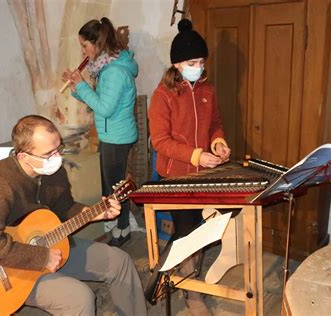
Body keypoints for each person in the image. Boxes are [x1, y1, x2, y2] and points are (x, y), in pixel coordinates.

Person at [0, 115, 147, 315]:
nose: (56, 157)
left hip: (53, 245)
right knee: (80, 299)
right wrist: (41, 257)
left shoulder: (55, 171)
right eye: (48, 153)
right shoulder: (1, 181)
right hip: (13, 268)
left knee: (120, 262)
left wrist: (96, 213)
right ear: (24, 156)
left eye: (58, 148)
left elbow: (65, 208)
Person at [148, 19, 231, 315]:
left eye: (201, 61)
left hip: (205, 172)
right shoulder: (163, 95)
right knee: (188, 230)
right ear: (177, 64)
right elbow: (160, 142)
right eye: (193, 62)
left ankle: (176, 261)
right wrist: (195, 155)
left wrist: (218, 142)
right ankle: (191, 289)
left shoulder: (207, 88)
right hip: (174, 176)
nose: (199, 66)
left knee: (207, 225)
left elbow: (215, 124)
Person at [61, 17, 138, 247]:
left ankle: (123, 230)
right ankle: (118, 226)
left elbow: (105, 107)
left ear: (97, 44)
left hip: (118, 137)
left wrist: (82, 85)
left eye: (84, 45)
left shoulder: (114, 72)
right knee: (111, 186)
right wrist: (76, 87)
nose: (83, 51)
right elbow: (99, 100)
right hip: (111, 134)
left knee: (116, 189)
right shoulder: (104, 67)